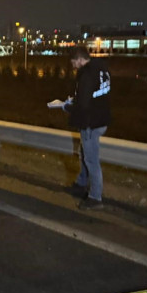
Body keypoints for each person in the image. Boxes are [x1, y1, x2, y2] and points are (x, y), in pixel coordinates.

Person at [62, 46, 111, 210]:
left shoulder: (86, 75)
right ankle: (81, 184)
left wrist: (66, 107)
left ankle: (95, 197)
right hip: (101, 118)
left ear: (79, 59)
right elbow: (92, 95)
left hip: (91, 122)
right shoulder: (101, 69)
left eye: (73, 63)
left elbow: (83, 104)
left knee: (91, 160)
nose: (73, 66)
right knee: (84, 154)